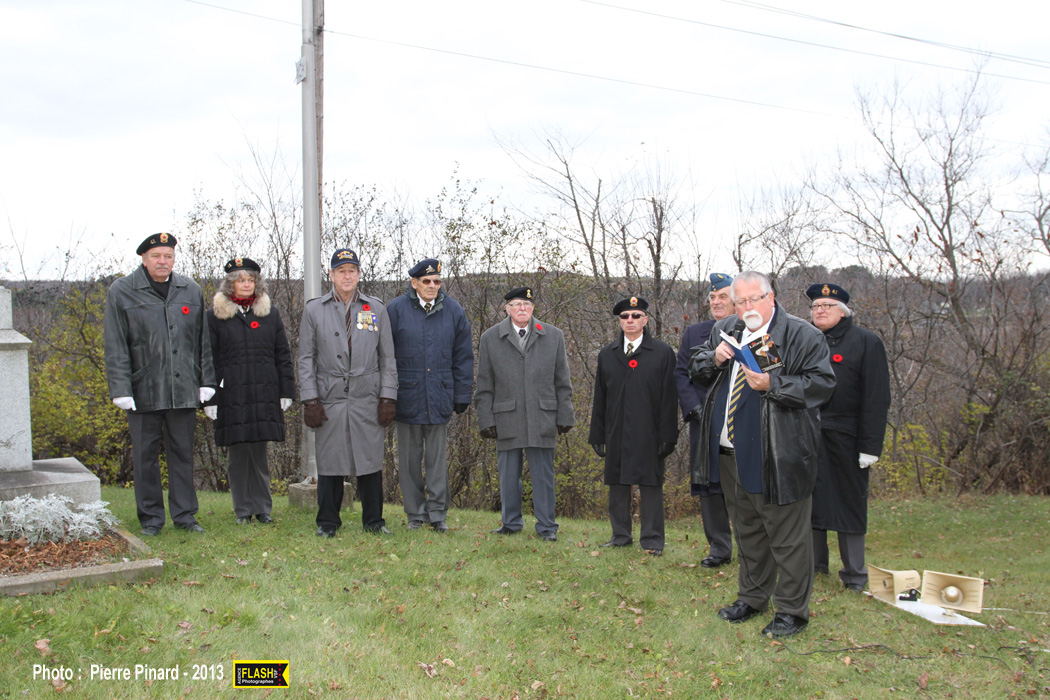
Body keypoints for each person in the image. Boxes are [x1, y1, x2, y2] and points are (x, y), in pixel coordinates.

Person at [689, 271, 835, 638]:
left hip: (777, 453)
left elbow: (821, 386)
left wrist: (774, 384)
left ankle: (792, 612)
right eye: (740, 301)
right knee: (748, 531)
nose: (747, 307)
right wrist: (714, 358)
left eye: (754, 299)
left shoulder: (802, 335)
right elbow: (696, 368)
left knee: (787, 537)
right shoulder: (727, 329)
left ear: (771, 297)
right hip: (730, 452)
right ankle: (752, 598)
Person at [104, 232, 216, 536]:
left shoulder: (189, 290)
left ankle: (185, 516)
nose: (162, 261)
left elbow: (202, 340)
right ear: (144, 258)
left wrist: (206, 381)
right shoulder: (123, 291)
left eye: (167, 256)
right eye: (156, 256)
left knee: (183, 455)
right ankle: (151, 520)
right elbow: (115, 344)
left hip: (183, 390)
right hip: (143, 391)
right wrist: (120, 388)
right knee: (145, 459)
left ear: (174, 258)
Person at [297, 248, 398, 537]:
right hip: (330, 396)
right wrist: (310, 399)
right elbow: (306, 358)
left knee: (369, 461)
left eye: (352, 270)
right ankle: (327, 522)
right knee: (331, 462)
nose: (347, 276)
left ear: (359, 274)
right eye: (341, 271)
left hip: (367, 395)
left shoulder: (375, 308)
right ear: (331, 274)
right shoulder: (314, 309)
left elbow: (387, 357)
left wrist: (388, 396)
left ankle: (374, 521)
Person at [806, 283, 891, 592]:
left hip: (847, 438)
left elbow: (877, 397)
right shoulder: (806, 339)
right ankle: (815, 566)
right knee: (810, 502)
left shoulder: (866, 342)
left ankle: (854, 574)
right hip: (809, 434)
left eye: (827, 305)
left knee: (848, 505)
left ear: (843, 311)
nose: (820, 311)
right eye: (816, 306)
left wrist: (871, 446)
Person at [475, 286, 574, 542]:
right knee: (508, 475)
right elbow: (485, 384)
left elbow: (562, 381)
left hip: (543, 415)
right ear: (507, 308)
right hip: (506, 416)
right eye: (517, 304)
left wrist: (565, 415)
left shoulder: (553, 336)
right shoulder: (490, 338)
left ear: (533, 308)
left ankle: (547, 526)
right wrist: (485, 418)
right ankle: (510, 523)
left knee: (543, 475)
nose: (522, 309)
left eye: (527, 305)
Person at [203, 257, 296, 525]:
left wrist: (285, 390)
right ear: (231, 284)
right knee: (237, 456)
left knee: (259, 454)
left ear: (257, 283)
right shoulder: (215, 317)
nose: (246, 284)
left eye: (250, 280)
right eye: (241, 280)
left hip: (264, 393)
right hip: (232, 395)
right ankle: (243, 510)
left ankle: (262, 508)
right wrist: (210, 395)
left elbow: (283, 354)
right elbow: (209, 358)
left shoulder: (270, 314)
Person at [386, 258, 474, 533]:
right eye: (427, 281)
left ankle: (437, 514)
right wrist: (386, 395)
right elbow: (385, 356)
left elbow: (463, 356)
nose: (432, 286)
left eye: (437, 281)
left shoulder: (453, 310)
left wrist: (461, 393)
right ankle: (415, 514)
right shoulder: (395, 310)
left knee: (437, 462)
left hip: (439, 396)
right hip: (406, 397)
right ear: (414, 283)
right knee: (410, 461)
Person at [589, 296, 678, 556]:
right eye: (625, 317)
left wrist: (668, 435)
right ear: (619, 321)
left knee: (651, 485)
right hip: (616, 430)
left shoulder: (661, 353)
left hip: (650, 431)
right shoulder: (608, 354)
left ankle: (652, 540)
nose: (630, 321)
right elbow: (600, 398)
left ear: (646, 319)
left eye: (636, 316)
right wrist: (598, 434)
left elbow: (669, 399)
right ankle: (620, 535)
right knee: (617, 484)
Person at [674, 273, 735, 568]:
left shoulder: (751, 331)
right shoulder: (695, 333)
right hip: (705, 422)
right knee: (710, 487)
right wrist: (693, 408)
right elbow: (681, 374)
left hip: (739, 423)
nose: (716, 302)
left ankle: (754, 549)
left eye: (723, 296)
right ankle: (719, 548)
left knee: (745, 486)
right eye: (712, 297)